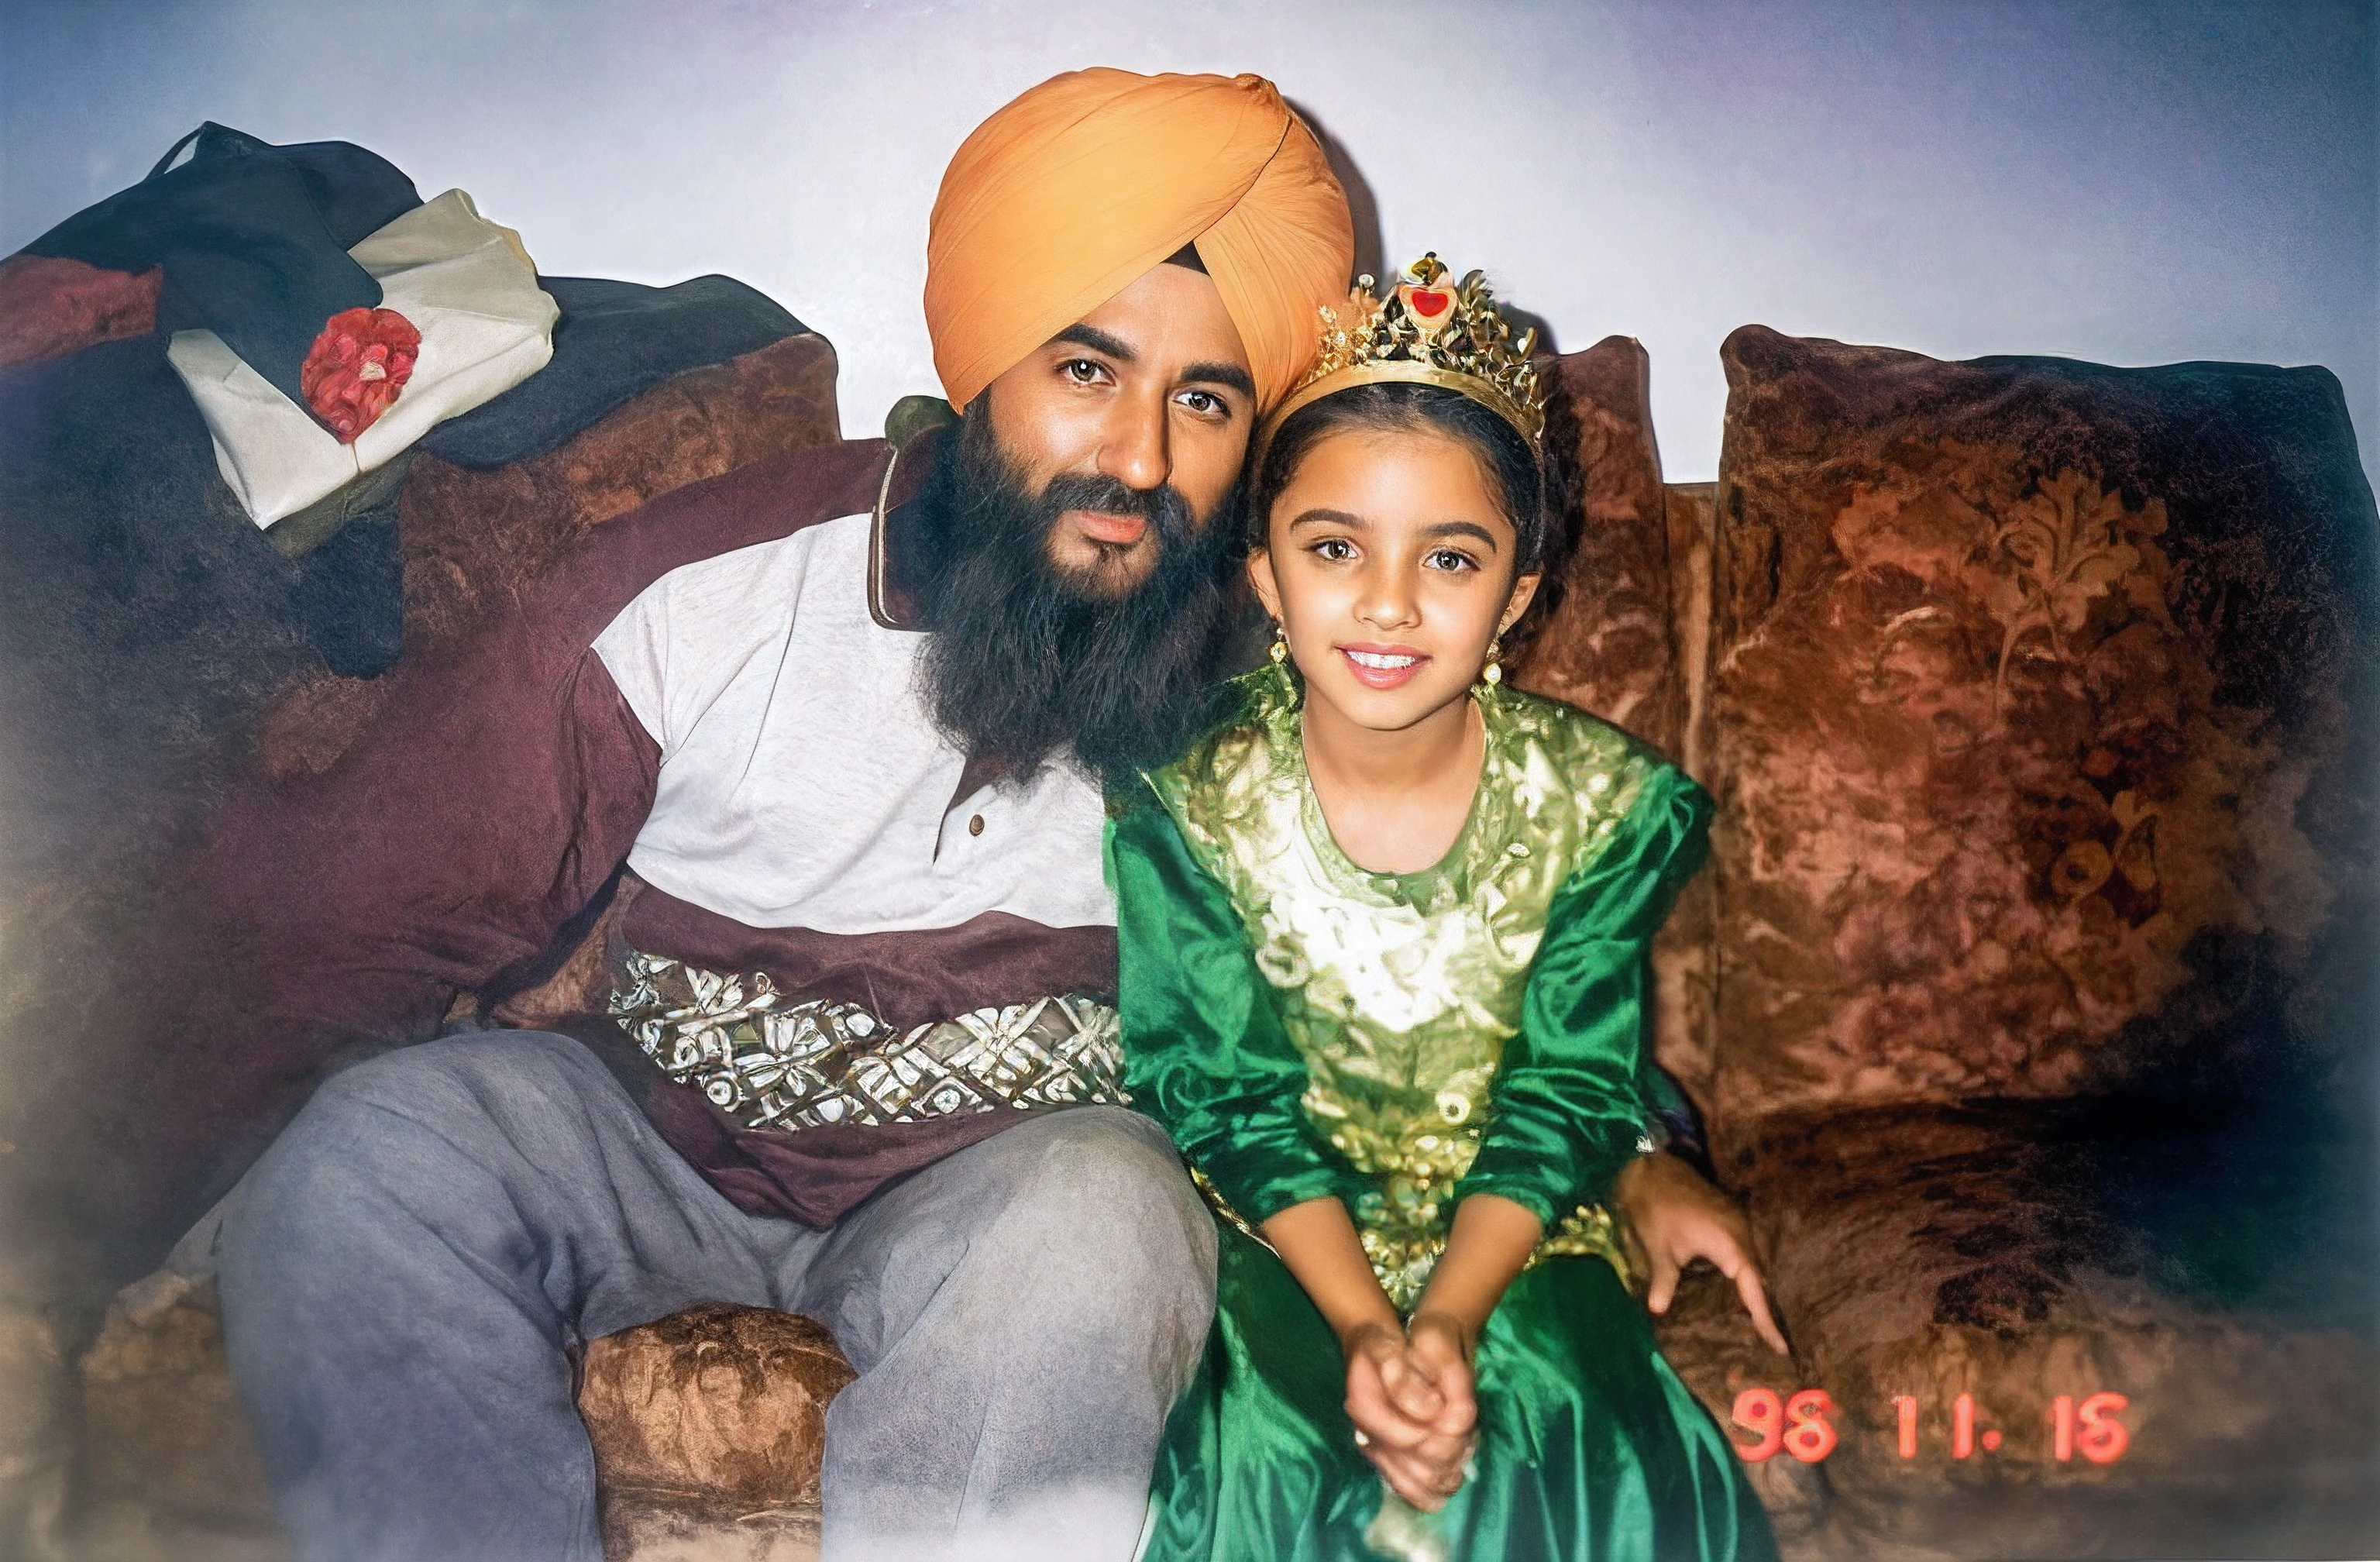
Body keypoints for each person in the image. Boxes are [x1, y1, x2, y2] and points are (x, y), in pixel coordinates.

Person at [26, 71, 1771, 1562]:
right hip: (654, 1142)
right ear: (983, 362)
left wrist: (1648, 1137)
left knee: (1107, 1210)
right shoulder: (705, 589)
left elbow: (1467, 959)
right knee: (362, 1162)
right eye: (1086, 369)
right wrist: (62, 1206)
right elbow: (337, 909)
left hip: (998, 1200)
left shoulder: (1289, 662)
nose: (1140, 458)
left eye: (1208, 398)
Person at [1112, 259, 1781, 1561]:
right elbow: (1223, 1094)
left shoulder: (1597, 806)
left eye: (1452, 558)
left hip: (1520, 1229)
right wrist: (1368, 1327)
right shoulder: (1187, 798)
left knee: (1572, 1412)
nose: (1388, 603)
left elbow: (1568, 1095)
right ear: (1262, 573)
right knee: (1267, 1437)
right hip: (1281, 1227)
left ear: (1518, 595)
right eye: (1335, 547)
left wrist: (1447, 1326)